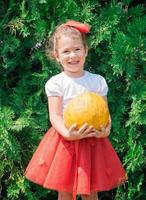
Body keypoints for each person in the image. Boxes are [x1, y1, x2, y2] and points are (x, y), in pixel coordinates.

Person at [25, 20, 127, 200]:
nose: (72, 55)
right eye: (66, 51)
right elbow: (55, 115)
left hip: (92, 141)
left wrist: (107, 129)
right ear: (57, 55)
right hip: (66, 141)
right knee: (65, 190)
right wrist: (67, 133)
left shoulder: (97, 81)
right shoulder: (57, 83)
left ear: (86, 50)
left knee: (90, 190)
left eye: (77, 49)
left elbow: (104, 111)